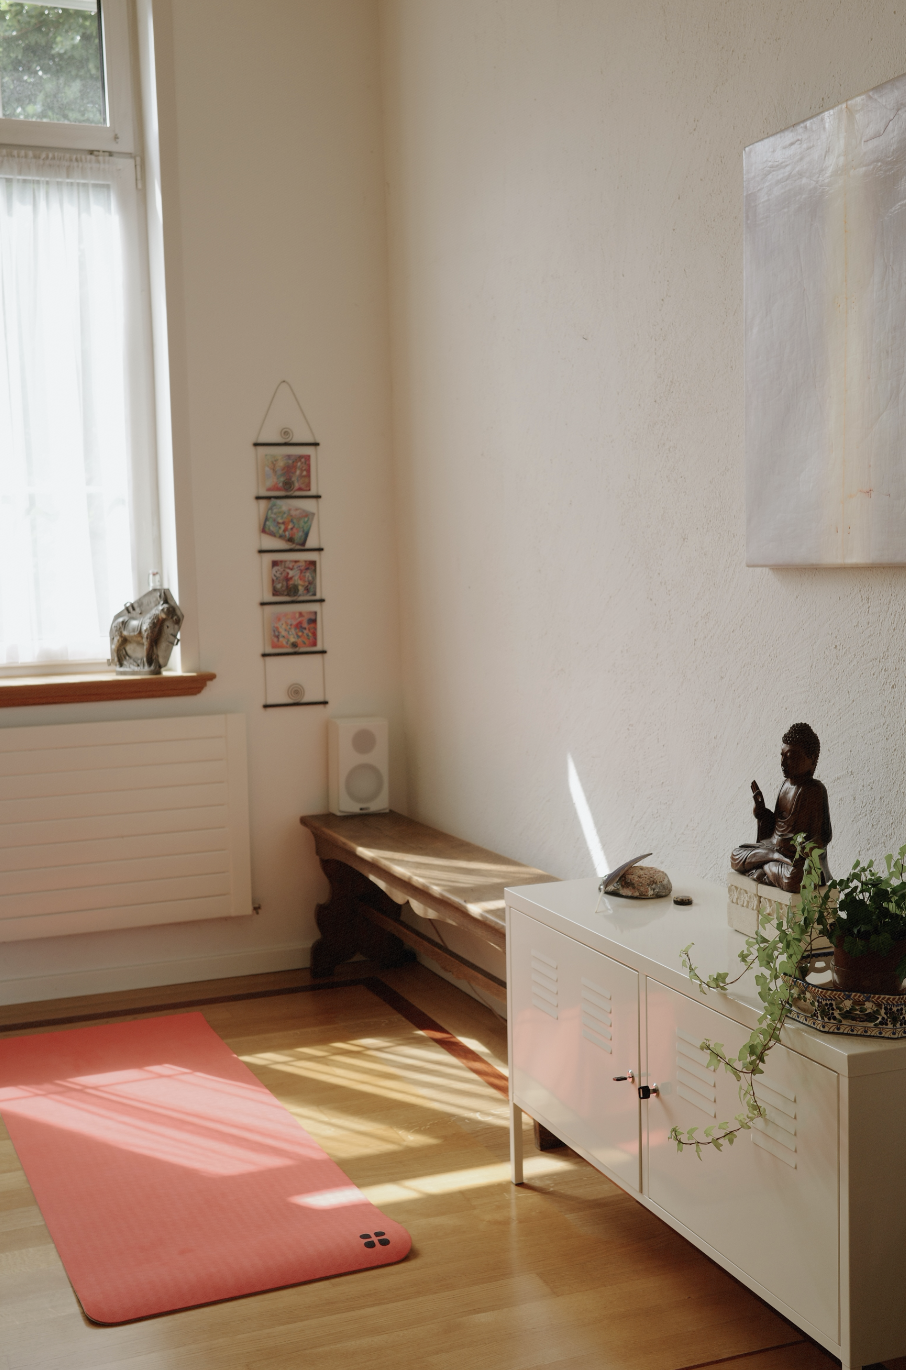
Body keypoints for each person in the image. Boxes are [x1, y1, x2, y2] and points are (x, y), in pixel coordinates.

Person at [730, 722, 831, 892]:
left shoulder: (815, 791)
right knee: (735, 855)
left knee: (796, 878)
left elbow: (823, 837)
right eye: (782, 756)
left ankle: (764, 866)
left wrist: (800, 848)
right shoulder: (785, 785)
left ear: (812, 759)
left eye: (791, 757)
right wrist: (762, 813)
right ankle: (771, 860)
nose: (783, 762)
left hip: (797, 860)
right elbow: (776, 827)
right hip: (775, 850)